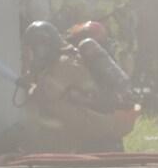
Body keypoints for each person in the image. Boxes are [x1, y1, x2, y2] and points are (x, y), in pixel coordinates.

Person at [15, 21, 138, 153]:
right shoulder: (64, 60)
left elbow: (43, 94)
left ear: (43, 47)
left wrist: (29, 78)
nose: (33, 55)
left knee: (52, 106)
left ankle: (59, 149)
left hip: (102, 125)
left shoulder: (64, 63)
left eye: (33, 50)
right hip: (102, 123)